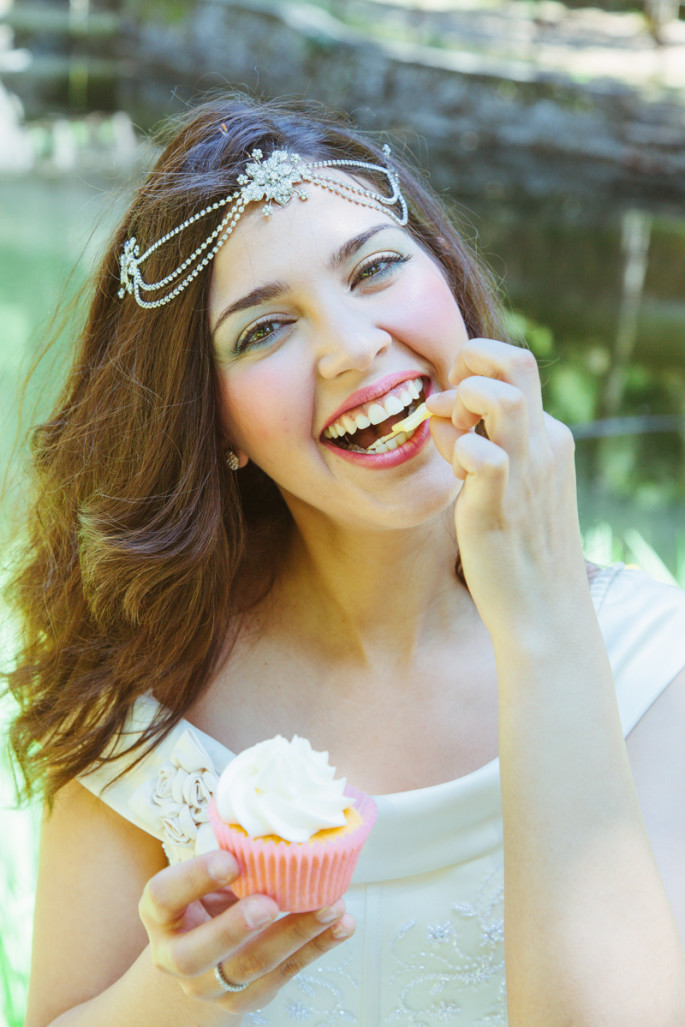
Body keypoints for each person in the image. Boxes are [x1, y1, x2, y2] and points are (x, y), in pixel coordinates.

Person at [5, 92, 685, 1027]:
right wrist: (179, 989)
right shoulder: (151, 691)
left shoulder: (653, 663)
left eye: (373, 268)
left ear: (446, 279)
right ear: (217, 424)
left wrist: (544, 621)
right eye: (263, 330)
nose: (352, 349)